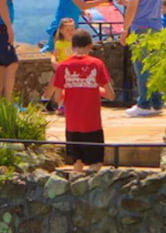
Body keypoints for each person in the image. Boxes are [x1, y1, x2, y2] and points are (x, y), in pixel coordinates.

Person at [43, 28, 114, 172]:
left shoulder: (63, 66)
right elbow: (110, 94)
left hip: (72, 123)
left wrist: (73, 89)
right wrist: (93, 88)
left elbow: (57, 97)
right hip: (92, 122)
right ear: (90, 46)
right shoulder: (97, 64)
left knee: (77, 163)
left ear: (72, 46)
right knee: (96, 163)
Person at [121, 0, 165, 117]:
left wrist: (125, 29)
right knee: (154, 65)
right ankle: (157, 101)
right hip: (156, 27)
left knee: (141, 67)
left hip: (141, 27)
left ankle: (144, 103)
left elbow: (134, 7)